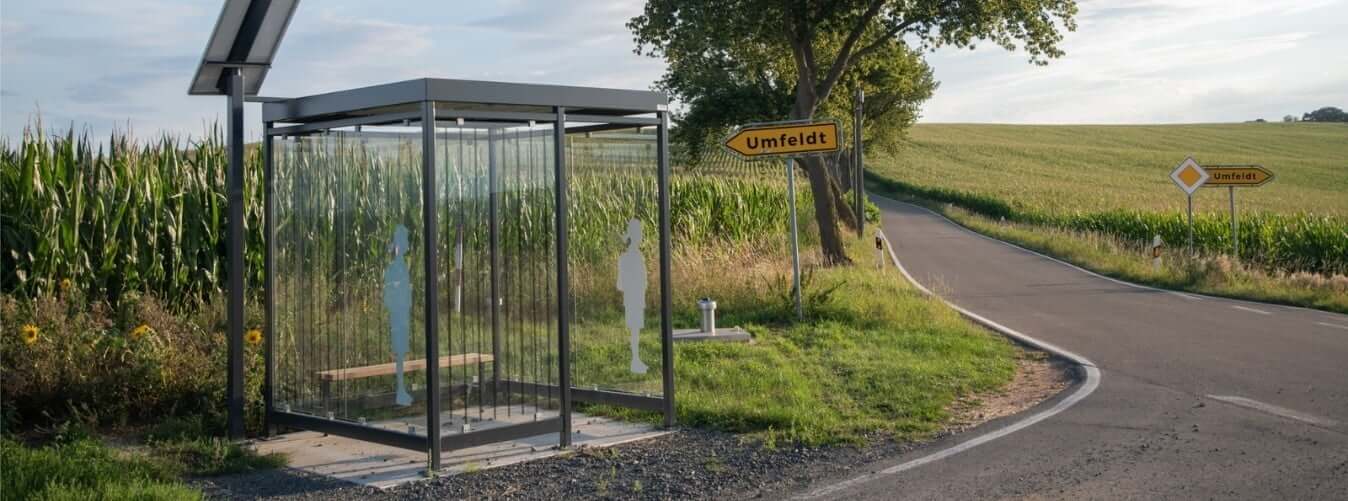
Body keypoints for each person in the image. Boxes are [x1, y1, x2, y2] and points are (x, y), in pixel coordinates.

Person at [384, 225, 414, 406]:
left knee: (402, 352)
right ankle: (400, 390)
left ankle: (401, 389)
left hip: (402, 313)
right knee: (399, 353)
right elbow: (390, 289)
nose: (408, 244)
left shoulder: (401, 265)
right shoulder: (395, 266)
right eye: (405, 241)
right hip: (398, 314)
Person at [617, 219, 649, 374]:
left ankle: (636, 360)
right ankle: (635, 361)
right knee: (635, 331)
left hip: (632, 299)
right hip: (635, 299)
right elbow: (642, 281)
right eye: (640, 233)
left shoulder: (624, 258)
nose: (642, 236)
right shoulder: (636, 257)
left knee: (635, 330)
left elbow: (620, 285)